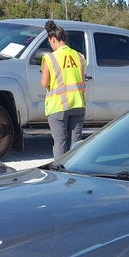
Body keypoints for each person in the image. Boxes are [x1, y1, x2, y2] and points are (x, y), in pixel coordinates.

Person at [40, 19, 87, 159]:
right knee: (76, 143)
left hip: (58, 106)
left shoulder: (50, 58)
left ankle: (60, 173)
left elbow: (44, 83)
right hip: (78, 104)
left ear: (53, 39)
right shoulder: (80, 57)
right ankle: (75, 172)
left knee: (60, 141)